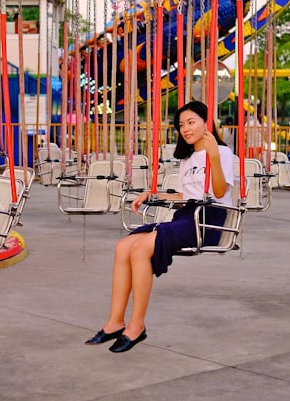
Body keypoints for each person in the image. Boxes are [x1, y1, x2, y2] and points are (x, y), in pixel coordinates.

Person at [85, 101, 235, 352]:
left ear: (205, 123)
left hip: (209, 218)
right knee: (123, 246)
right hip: (188, 215)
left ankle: (136, 326)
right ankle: (115, 322)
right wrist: (151, 194)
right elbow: (185, 195)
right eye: (181, 125)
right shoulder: (187, 158)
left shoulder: (222, 153)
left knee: (142, 247)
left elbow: (219, 192)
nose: (186, 129)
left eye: (191, 122)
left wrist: (214, 157)